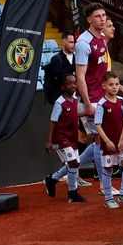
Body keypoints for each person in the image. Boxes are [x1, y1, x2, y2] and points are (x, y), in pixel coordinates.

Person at [95, 70, 123, 209]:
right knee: (108, 169)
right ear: (104, 86)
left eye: (117, 84)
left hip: (122, 140)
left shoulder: (121, 101)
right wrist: (107, 141)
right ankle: (108, 198)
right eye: (111, 84)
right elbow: (98, 125)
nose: (114, 87)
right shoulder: (102, 104)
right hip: (109, 142)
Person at [44, 73, 90, 203]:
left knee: (75, 163)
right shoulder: (60, 103)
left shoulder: (75, 101)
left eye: (74, 83)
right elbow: (53, 121)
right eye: (69, 83)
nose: (73, 85)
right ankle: (72, 192)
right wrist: (49, 140)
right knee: (73, 163)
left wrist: (86, 112)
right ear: (63, 87)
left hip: (72, 136)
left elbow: (73, 114)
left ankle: (52, 179)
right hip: (61, 137)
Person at [44, 32, 77, 105]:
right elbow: (62, 77)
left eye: (74, 42)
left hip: (77, 98)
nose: (73, 45)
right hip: (62, 100)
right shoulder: (56, 59)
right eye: (71, 42)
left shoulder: (78, 58)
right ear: (63, 42)